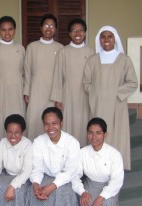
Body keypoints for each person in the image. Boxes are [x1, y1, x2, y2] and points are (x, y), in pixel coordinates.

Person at [82, 26, 138, 170]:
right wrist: (97, 94)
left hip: (116, 106)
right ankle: (96, 168)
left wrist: (115, 93)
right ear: (99, 39)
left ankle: (116, 167)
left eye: (110, 36)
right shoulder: (93, 60)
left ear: (115, 39)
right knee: (96, 134)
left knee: (116, 136)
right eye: (103, 36)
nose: (106, 40)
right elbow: (86, 83)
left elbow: (132, 82)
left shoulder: (124, 60)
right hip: (98, 105)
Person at [25, 107, 81, 206]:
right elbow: (37, 168)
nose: (50, 128)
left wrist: (52, 186)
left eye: (54, 123)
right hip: (47, 175)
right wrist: (35, 184)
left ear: (61, 123)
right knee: (32, 190)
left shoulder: (72, 143)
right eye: (46, 124)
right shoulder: (38, 141)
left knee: (63, 192)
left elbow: (69, 172)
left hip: (67, 178)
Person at [51, 18, 95, 147]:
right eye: (74, 31)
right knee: (68, 124)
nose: (77, 34)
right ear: (69, 34)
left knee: (83, 122)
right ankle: (68, 151)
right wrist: (58, 98)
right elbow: (58, 75)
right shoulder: (63, 51)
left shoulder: (91, 52)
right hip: (67, 94)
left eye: (81, 30)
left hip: (85, 94)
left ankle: (83, 151)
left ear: (85, 33)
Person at [72, 117, 124, 206]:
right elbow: (74, 176)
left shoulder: (114, 154)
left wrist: (101, 197)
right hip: (90, 185)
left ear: (105, 134)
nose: (94, 137)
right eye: (91, 133)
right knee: (86, 202)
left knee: (106, 203)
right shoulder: (82, 153)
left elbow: (116, 181)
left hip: (109, 186)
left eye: (98, 133)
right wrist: (83, 192)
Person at [24, 13, 63, 140]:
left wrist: (59, 96)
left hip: (53, 94)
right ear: (40, 27)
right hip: (36, 92)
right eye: (46, 25)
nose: (48, 28)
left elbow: (62, 74)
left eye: (52, 26)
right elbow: (27, 71)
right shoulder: (32, 47)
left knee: (52, 123)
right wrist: (27, 92)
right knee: (34, 121)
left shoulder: (61, 48)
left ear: (56, 29)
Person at [0, 16, 26, 139]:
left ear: (14, 30)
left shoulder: (20, 48)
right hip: (1, 93)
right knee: (1, 122)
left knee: (18, 119)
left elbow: (25, 72)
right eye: (3, 30)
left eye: (10, 29)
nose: (7, 33)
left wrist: (25, 92)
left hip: (18, 93)